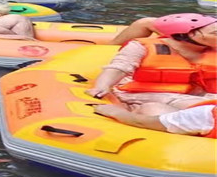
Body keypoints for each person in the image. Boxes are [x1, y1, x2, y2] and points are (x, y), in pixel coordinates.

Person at [87, 13, 215, 112]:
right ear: (191, 34)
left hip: (194, 94)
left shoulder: (211, 49)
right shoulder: (141, 47)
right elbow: (118, 68)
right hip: (145, 94)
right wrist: (102, 86)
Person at [94, 101, 216, 137]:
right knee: (152, 107)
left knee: (151, 108)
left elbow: (140, 122)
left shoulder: (205, 114)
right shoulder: (204, 114)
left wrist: (114, 111)